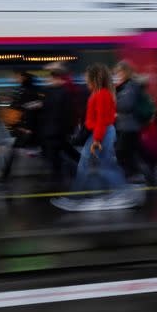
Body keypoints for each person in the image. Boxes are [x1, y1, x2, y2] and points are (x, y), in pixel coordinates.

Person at [52, 64, 140, 211]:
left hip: (101, 133)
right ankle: (113, 195)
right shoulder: (101, 93)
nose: (85, 79)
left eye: (87, 76)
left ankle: (79, 199)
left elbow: (101, 120)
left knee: (91, 166)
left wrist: (97, 140)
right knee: (104, 166)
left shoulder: (101, 94)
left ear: (94, 77)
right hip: (102, 133)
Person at [39, 64, 80, 185]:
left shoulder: (65, 92)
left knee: (57, 153)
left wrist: (69, 129)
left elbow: (68, 113)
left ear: (58, 78)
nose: (49, 81)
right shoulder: (50, 91)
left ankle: (57, 178)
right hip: (51, 129)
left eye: (51, 78)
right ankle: (59, 176)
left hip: (58, 130)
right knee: (65, 150)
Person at [1, 70, 42, 180]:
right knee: (15, 150)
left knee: (14, 151)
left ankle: (5, 174)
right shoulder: (25, 90)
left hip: (27, 128)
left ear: (24, 78)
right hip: (25, 127)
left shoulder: (28, 92)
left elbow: (29, 111)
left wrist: (26, 128)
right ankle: (5, 174)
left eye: (18, 77)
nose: (16, 79)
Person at [114, 61, 148, 182]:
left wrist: (113, 103)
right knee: (130, 151)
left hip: (129, 125)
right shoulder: (125, 86)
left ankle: (134, 174)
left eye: (119, 72)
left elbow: (127, 104)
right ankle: (139, 173)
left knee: (122, 152)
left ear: (125, 72)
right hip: (126, 125)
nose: (117, 74)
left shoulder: (130, 86)